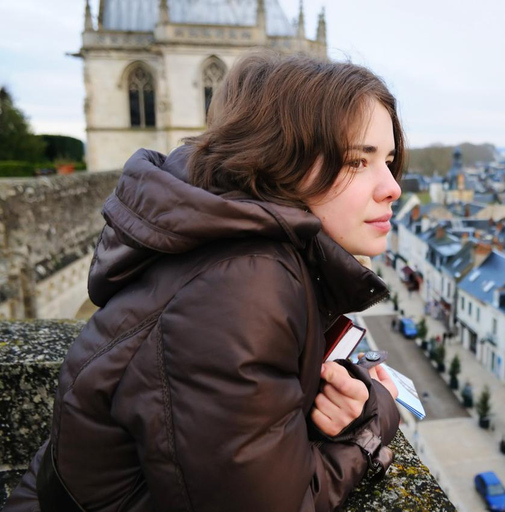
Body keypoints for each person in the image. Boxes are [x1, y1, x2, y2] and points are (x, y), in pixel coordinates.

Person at [7, 53, 404, 512]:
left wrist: (352, 408)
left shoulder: (240, 253)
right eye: (358, 161)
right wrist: (377, 424)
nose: (392, 185)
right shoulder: (241, 287)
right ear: (278, 157)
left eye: (389, 160)